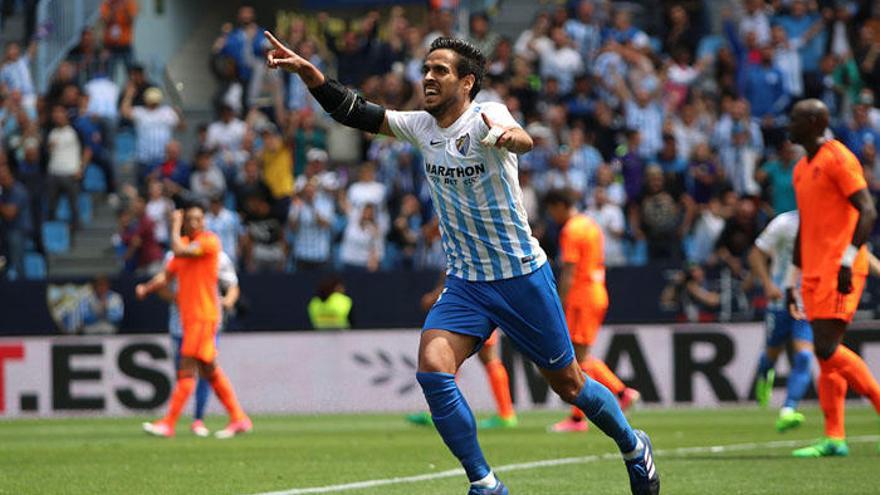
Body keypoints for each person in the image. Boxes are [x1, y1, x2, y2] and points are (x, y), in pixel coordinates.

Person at [265, 33, 658, 494]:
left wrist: (513, 138)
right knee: (432, 366)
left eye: (440, 71)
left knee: (570, 384)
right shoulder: (420, 126)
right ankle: (485, 482)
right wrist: (311, 75)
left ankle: (633, 447)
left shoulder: (486, 116)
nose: (428, 78)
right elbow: (355, 111)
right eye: (425, 69)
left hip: (520, 276)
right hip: (468, 283)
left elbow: (522, 137)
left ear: (467, 82)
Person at [785, 99, 880, 457]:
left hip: (839, 267)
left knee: (825, 347)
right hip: (811, 271)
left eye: (795, 119)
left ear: (814, 121)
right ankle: (835, 437)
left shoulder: (838, 158)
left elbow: (867, 210)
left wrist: (847, 260)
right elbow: (803, 226)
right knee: (826, 357)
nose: (788, 125)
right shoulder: (800, 168)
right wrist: (789, 281)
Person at [136, 206, 251, 439]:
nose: (195, 223)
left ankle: (168, 423)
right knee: (209, 369)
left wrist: (174, 225)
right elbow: (165, 276)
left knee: (187, 366)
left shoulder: (209, 243)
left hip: (204, 316)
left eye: (199, 219)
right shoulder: (182, 253)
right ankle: (239, 418)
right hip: (189, 318)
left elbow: (179, 249)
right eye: (190, 219)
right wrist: (146, 288)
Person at [545, 189, 640, 433]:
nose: (551, 215)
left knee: (577, 359)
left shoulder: (571, 230)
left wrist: (560, 303)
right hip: (597, 292)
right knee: (580, 358)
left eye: (551, 210)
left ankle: (578, 418)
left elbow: (569, 270)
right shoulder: (590, 225)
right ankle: (621, 392)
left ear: (559, 205)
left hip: (581, 296)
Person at [157, 248, 239, 436]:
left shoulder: (214, 252)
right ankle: (238, 417)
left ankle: (194, 419)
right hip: (180, 325)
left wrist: (228, 301)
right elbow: (162, 286)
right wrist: (178, 298)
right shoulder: (173, 256)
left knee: (200, 372)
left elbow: (232, 284)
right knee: (193, 371)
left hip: (204, 324)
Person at [747, 210, 813, 432]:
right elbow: (755, 253)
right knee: (772, 353)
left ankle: (788, 409)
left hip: (809, 302)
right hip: (780, 301)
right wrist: (767, 284)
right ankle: (764, 374)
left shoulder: (827, 220)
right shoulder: (784, 222)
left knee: (804, 356)